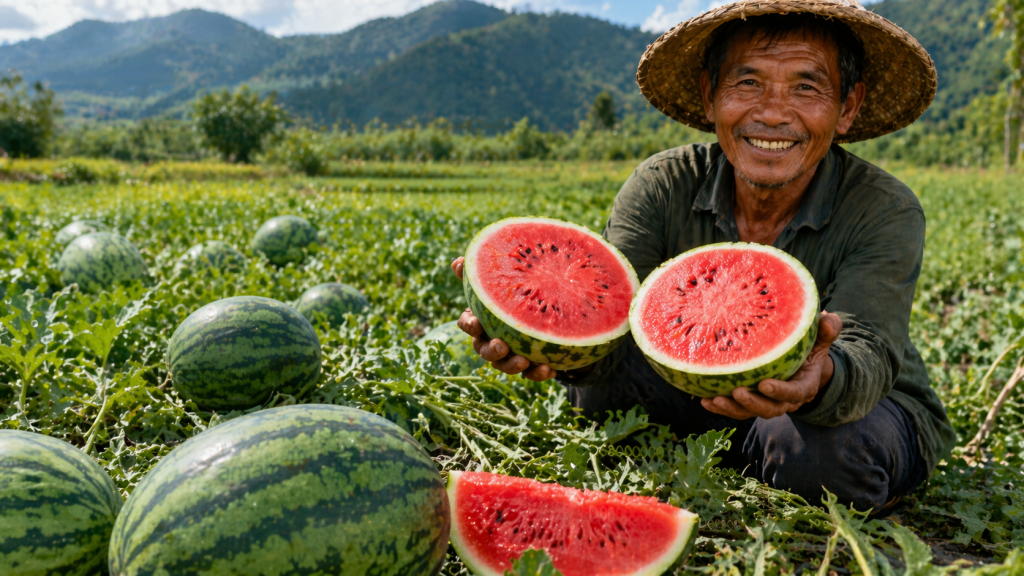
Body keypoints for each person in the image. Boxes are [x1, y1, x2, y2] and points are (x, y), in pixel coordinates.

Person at [452, 0, 955, 514]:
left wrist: (819, 380)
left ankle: (764, 451)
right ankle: (745, 452)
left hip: (853, 404)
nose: (773, 112)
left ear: (848, 107)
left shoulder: (884, 208)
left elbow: (867, 352)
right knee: (596, 394)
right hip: (687, 382)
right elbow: (610, 326)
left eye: (806, 87)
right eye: (748, 83)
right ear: (709, 95)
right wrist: (546, 333)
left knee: (821, 456)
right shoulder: (661, 184)